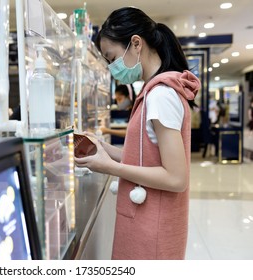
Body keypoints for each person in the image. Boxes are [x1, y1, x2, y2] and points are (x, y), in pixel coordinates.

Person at [74, 7, 200, 260]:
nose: (112, 68)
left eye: (112, 58)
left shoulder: (161, 95)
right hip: (149, 221)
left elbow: (176, 178)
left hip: (152, 229)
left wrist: (111, 167)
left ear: (135, 43)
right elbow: (151, 158)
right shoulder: (155, 92)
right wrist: (105, 149)